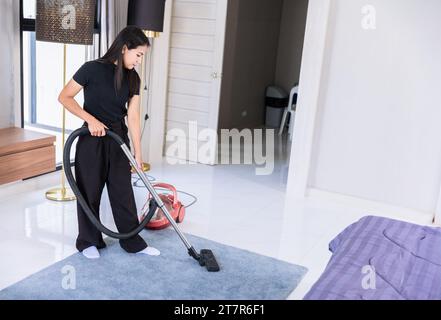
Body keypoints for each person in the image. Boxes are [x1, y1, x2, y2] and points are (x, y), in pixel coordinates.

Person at [58, 26, 160, 259]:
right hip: (90, 139)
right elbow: (64, 97)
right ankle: (88, 242)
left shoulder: (133, 78)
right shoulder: (91, 69)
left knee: (122, 191)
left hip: (117, 140)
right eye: (138, 55)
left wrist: (138, 152)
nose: (139, 61)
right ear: (125, 48)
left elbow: (133, 117)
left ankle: (132, 241)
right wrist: (90, 120)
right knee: (89, 191)